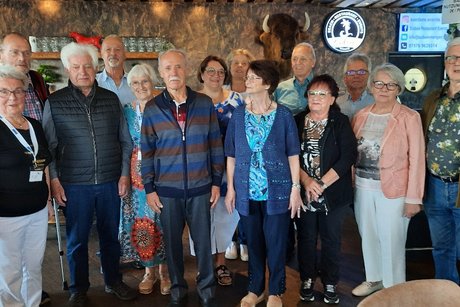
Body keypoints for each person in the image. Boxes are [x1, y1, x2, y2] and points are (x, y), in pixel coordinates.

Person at [42, 42, 137, 307]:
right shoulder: (55, 102)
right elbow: (49, 147)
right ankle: (78, 288)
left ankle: (113, 280)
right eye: (76, 66)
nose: (82, 71)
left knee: (110, 236)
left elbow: (125, 141)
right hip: (74, 184)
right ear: (67, 69)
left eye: (87, 65)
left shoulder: (110, 99)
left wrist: (124, 175)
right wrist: (55, 180)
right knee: (77, 239)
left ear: (95, 67)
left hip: (109, 180)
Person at [140, 49, 224, 307]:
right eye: (168, 69)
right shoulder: (153, 108)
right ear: (161, 73)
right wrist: (150, 188)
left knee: (203, 241)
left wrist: (216, 182)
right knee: (173, 244)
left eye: (177, 67)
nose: (173, 73)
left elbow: (215, 144)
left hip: (200, 188)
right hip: (167, 191)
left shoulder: (203, 103)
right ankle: (177, 286)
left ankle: (207, 287)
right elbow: (147, 150)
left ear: (185, 70)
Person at [225, 60, 302, 307]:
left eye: (253, 78)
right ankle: (255, 290)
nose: (247, 81)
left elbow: (293, 154)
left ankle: (275, 292)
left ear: (267, 84)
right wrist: (231, 189)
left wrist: (295, 189)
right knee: (254, 244)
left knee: (277, 244)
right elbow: (231, 154)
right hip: (247, 192)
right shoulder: (238, 114)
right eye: (247, 77)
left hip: (277, 192)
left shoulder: (283, 115)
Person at [351, 63, 425, 297]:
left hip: (394, 190)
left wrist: (414, 198)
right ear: (372, 87)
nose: (384, 88)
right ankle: (374, 279)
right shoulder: (361, 115)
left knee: (391, 240)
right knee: (368, 235)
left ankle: (394, 288)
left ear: (398, 89)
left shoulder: (409, 117)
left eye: (390, 84)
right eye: (379, 83)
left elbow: (417, 159)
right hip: (363, 187)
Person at [294, 74, 357, 305]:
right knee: (306, 238)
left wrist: (320, 184)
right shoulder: (298, 120)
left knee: (331, 239)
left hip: (332, 194)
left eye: (322, 94)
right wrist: (307, 182)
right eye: (312, 93)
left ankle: (330, 282)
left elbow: (348, 156)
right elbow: (291, 156)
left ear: (332, 99)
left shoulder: (340, 121)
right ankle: (307, 279)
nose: (316, 98)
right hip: (304, 192)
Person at [0, 32, 52, 306]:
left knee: (33, 266)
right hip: (5, 214)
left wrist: (49, 200)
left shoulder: (34, 124)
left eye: (18, 91)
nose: (12, 97)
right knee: (8, 271)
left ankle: (31, 303)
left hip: (37, 210)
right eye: (4, 91)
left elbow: (42, 163)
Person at [190, 55, 243, 286]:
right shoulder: (192, 101)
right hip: (198, 169)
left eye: (220, 71)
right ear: (202, 74)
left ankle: (221, 263)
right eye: (210, 71)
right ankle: (204, 265)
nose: (216, 75)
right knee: (200, 218)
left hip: (229, 169)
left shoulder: (236, 100)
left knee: (225, 218)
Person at [121, 63, 171, 295]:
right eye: (135, 83)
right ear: (130, 86)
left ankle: (165, 271)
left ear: (153, 83)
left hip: (163, 172)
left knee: (165, 222)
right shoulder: (127, 111)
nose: (140, 86)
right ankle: (149, 272)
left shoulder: (165, 107)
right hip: (136, 177)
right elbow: (124, 145)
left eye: (145, 81)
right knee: (143, 224)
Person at [421, 37, 460, 284]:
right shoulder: (434, 97)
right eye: (452, 58)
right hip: (434, 186)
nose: (457, 63)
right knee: (442, 248)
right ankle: (447, 294)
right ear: (445, 63)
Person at [273, 42, 316, 116]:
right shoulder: (280, 88)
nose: (298, 63)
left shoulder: (322, 87)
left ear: (313, 62)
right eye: (294, 59)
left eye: (303, 59)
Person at [96, 34, 135, 106]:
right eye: (108, 49)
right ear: (101, 54)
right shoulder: (94, 83)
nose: (113, 53)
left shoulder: (136, 83)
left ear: (124, 55)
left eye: (117, 50)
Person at [336, 53, 374, 120]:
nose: (356, 76)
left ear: (369, 76)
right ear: (345, 78)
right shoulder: (336, 103)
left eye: (361, 72)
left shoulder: (376, 103)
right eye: (351, 72)